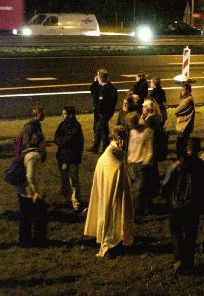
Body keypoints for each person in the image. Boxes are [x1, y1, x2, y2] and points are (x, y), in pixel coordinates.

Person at [162, 137, 204, 272]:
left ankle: (178, 258)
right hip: (193, 206)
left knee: (176, 233)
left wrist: (168, 198)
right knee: (191, 234)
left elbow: (165, 184)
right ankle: (189, 261)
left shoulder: (175, 165)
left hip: (176, 204)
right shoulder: (202, 166)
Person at [84, 126, 134, 257]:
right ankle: (109, 243)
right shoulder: (110, 154)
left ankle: (119, 237)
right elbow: (115, 169)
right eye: (124, 138)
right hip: (111, 191)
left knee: (117, 213)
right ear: (118, 139)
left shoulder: (117, 151)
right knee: (111, 213)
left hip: (117, 189)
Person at [16, 130, 47, 247]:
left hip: (23, 190)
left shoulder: (27, 152)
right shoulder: (34, 155)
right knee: (39, 218)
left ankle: (25, 241)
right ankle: (37, 240)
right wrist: (37, 192)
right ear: (40, 142)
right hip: (29, 192)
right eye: (43, 141)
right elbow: (30, 176)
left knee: (26, 218)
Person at [54, 105, 84, 212]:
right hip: (62, 158)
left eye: (65, 113)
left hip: (72, 159)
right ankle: (68, 200)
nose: (62, 115)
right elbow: (56, 138)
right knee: (64, 181)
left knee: (73, 181)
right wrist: (63, 141)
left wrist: (62, 141)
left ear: (70, 115)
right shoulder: (62, 125)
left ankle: (76, 203)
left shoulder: (76, 126)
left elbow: (69, 141)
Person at [126, 112, 154, 214]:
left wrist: (146, 162)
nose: (128, 125)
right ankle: (144, 206)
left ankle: (137, 211)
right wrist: (129, 160)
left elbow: (150, 149)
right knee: (135, 188)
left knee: (139, 188)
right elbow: (131, 147)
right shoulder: (132, 131)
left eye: (129, 123)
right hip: (132, 163)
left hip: (142, 164)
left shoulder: (147, 132)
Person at [87, 71, 118, 153]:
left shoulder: (106, 89)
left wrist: (99, 109)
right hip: (104, 112)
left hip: (104, 113)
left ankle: (105, 148)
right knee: (99, 129)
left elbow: (104, 102)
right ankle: (97, 147)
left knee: (102, 130)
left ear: (100, 79)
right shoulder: (107, 87)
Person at [89, 68, 107, 141]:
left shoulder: (104, 85)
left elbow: (93, 92)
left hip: (100, 107)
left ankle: (100, 138)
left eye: (98, 75)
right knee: (98, 123)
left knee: (99, 123)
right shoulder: (99, 84)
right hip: (98, 106)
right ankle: (98, 137)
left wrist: (95, 82)